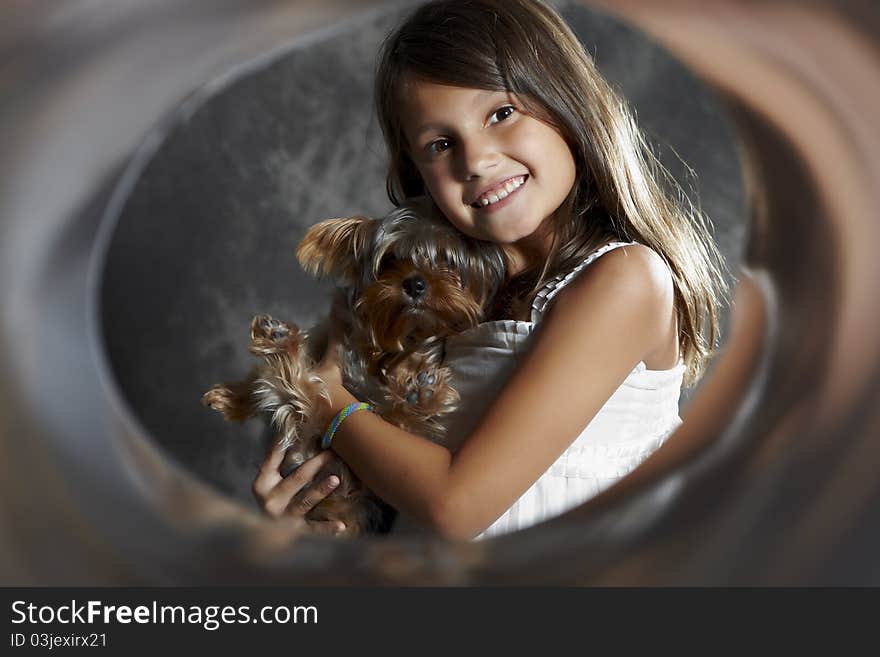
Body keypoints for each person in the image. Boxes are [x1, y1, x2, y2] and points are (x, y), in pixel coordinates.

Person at [252, 0, 728, 540]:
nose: (475, 161)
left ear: (566, 104)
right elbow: (412, 494)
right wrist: (328, 518)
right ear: (417, 173)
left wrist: (326, 400)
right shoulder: (448, 307)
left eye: (501, 114)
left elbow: (457, 507)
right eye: (441, 144)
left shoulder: (624, 279)